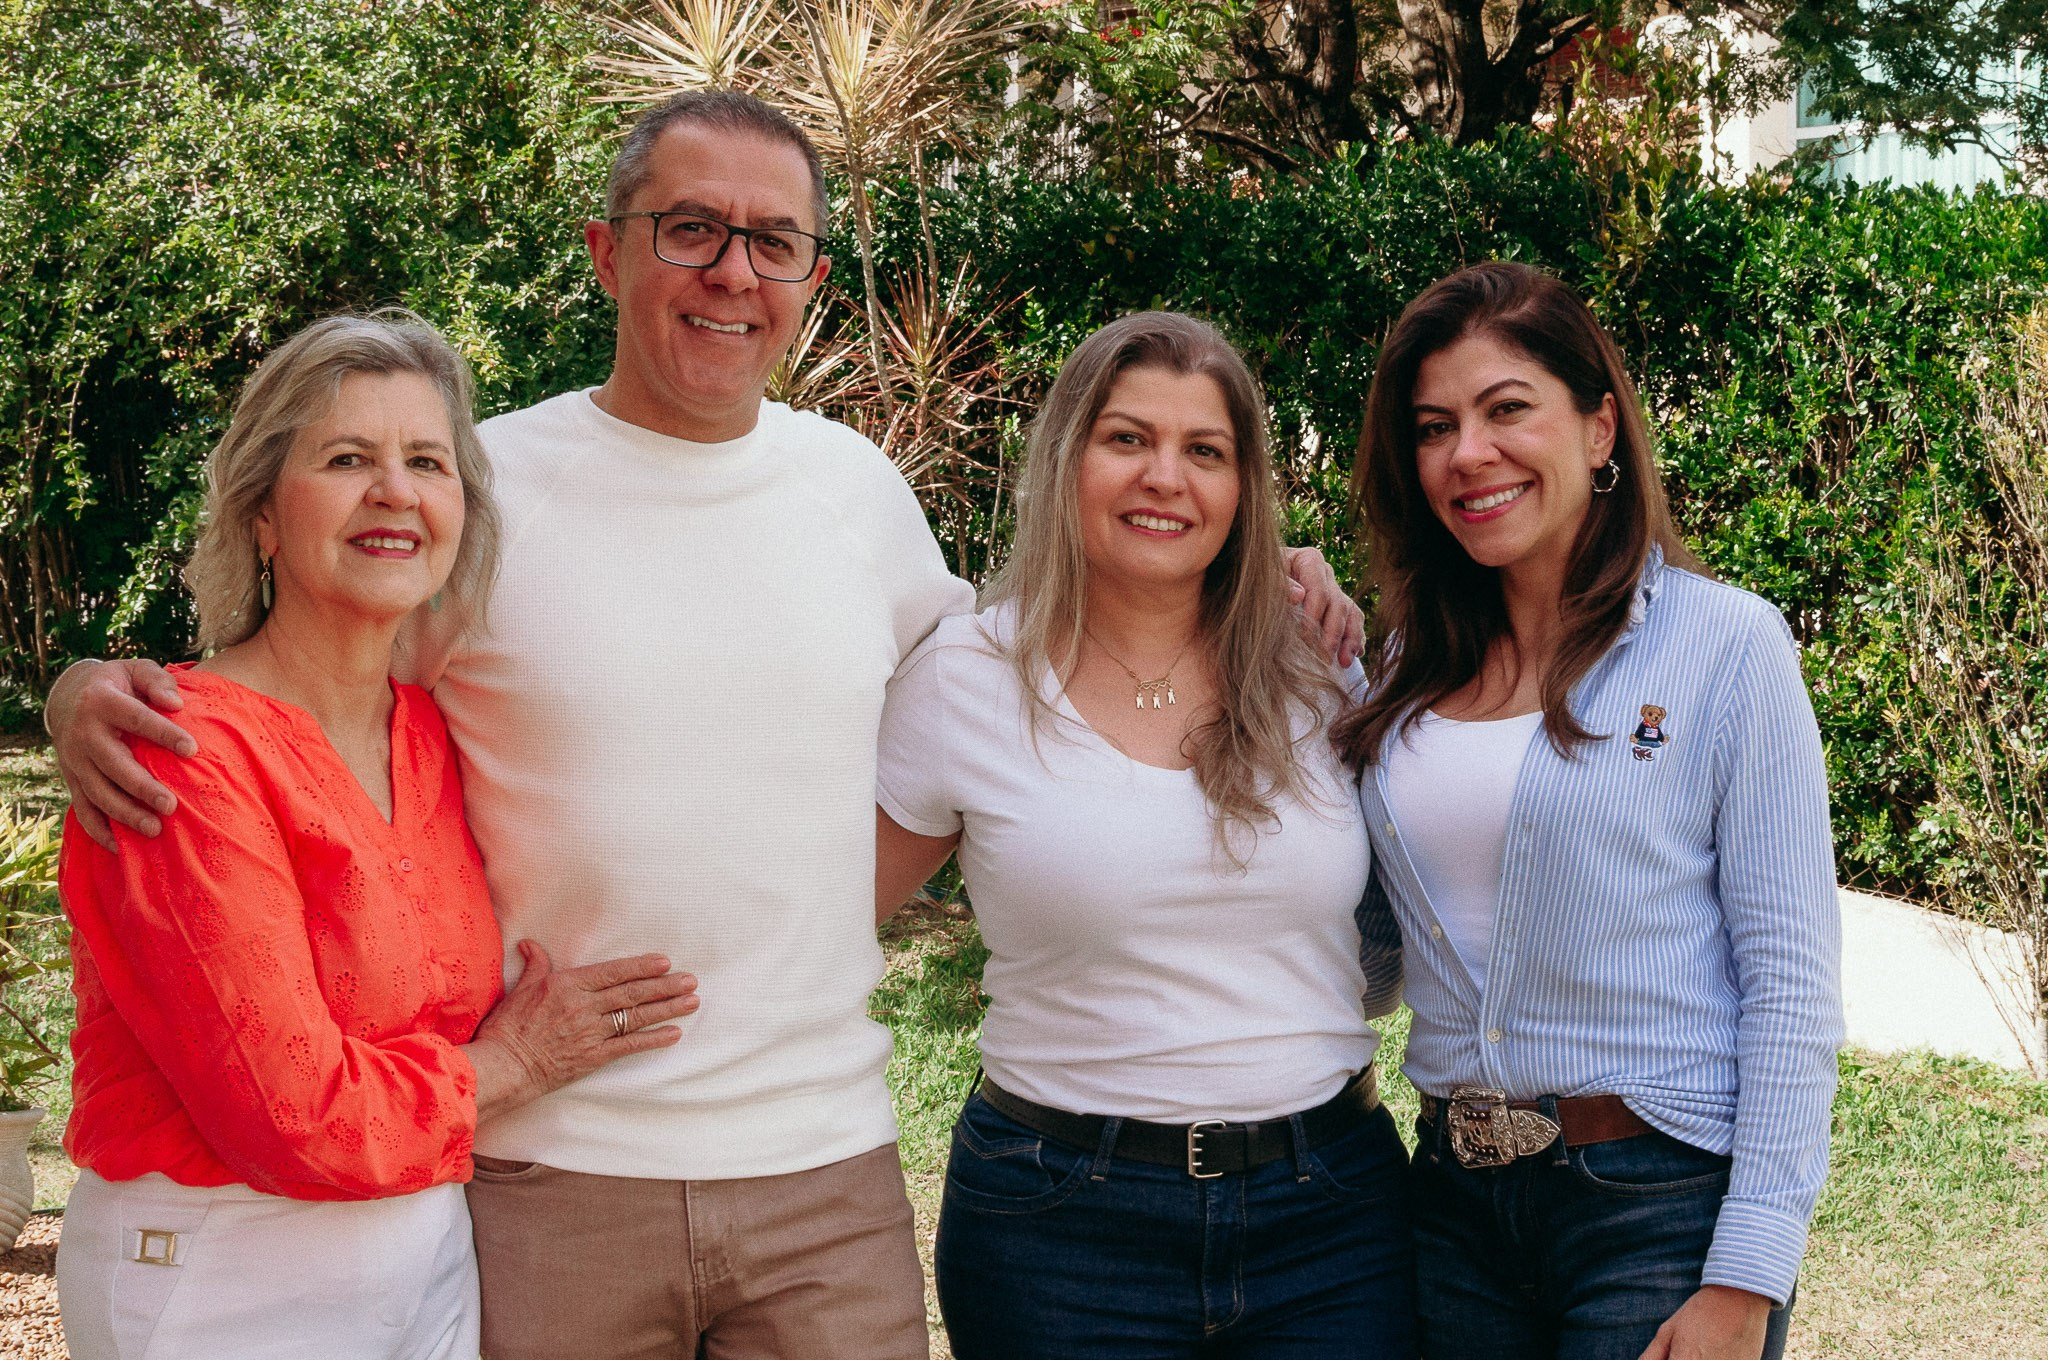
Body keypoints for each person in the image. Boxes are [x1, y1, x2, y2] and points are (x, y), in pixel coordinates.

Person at [43, 93, 1366, 1357]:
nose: (733, 270)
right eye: (693, 228)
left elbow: (1042, 657)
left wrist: (1278, 577)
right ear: (607, 251)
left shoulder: (858, 494)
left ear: (810, 279)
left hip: (823, 1175)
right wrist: (94, 688)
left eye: (774, 240)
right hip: (555, 1169)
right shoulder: (480, 487)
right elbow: (309, 656)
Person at [54, 312, 698, 1360]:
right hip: (221, 1276)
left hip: (424, 1262)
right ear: (262, 513)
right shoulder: (178, 750)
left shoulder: (434, 735)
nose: (393, 490)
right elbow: (289, 1109)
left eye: (426, 462)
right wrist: (514, 1064)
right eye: (347, 458)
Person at [874, 312, 1414, 1359]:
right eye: (1127, 439)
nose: (1164, 476)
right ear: (1067, 456)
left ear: (1243, 491)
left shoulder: (1317, 668)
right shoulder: (965, 677)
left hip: (1330, 1218)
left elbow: (1411, 923)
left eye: (1203, 451)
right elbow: (827, 920)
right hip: (1058, 1227)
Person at [1334, 262, 1843, 1360]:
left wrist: (1746, 1274)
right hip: (1448, 1209)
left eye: (1505, 408)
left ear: (1598, 427)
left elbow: (1790, 984)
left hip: (1652, 1207)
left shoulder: (1724, 647)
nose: (1466, 453)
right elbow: (1370, 961)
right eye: (1432, 426)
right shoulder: (1392, 673)